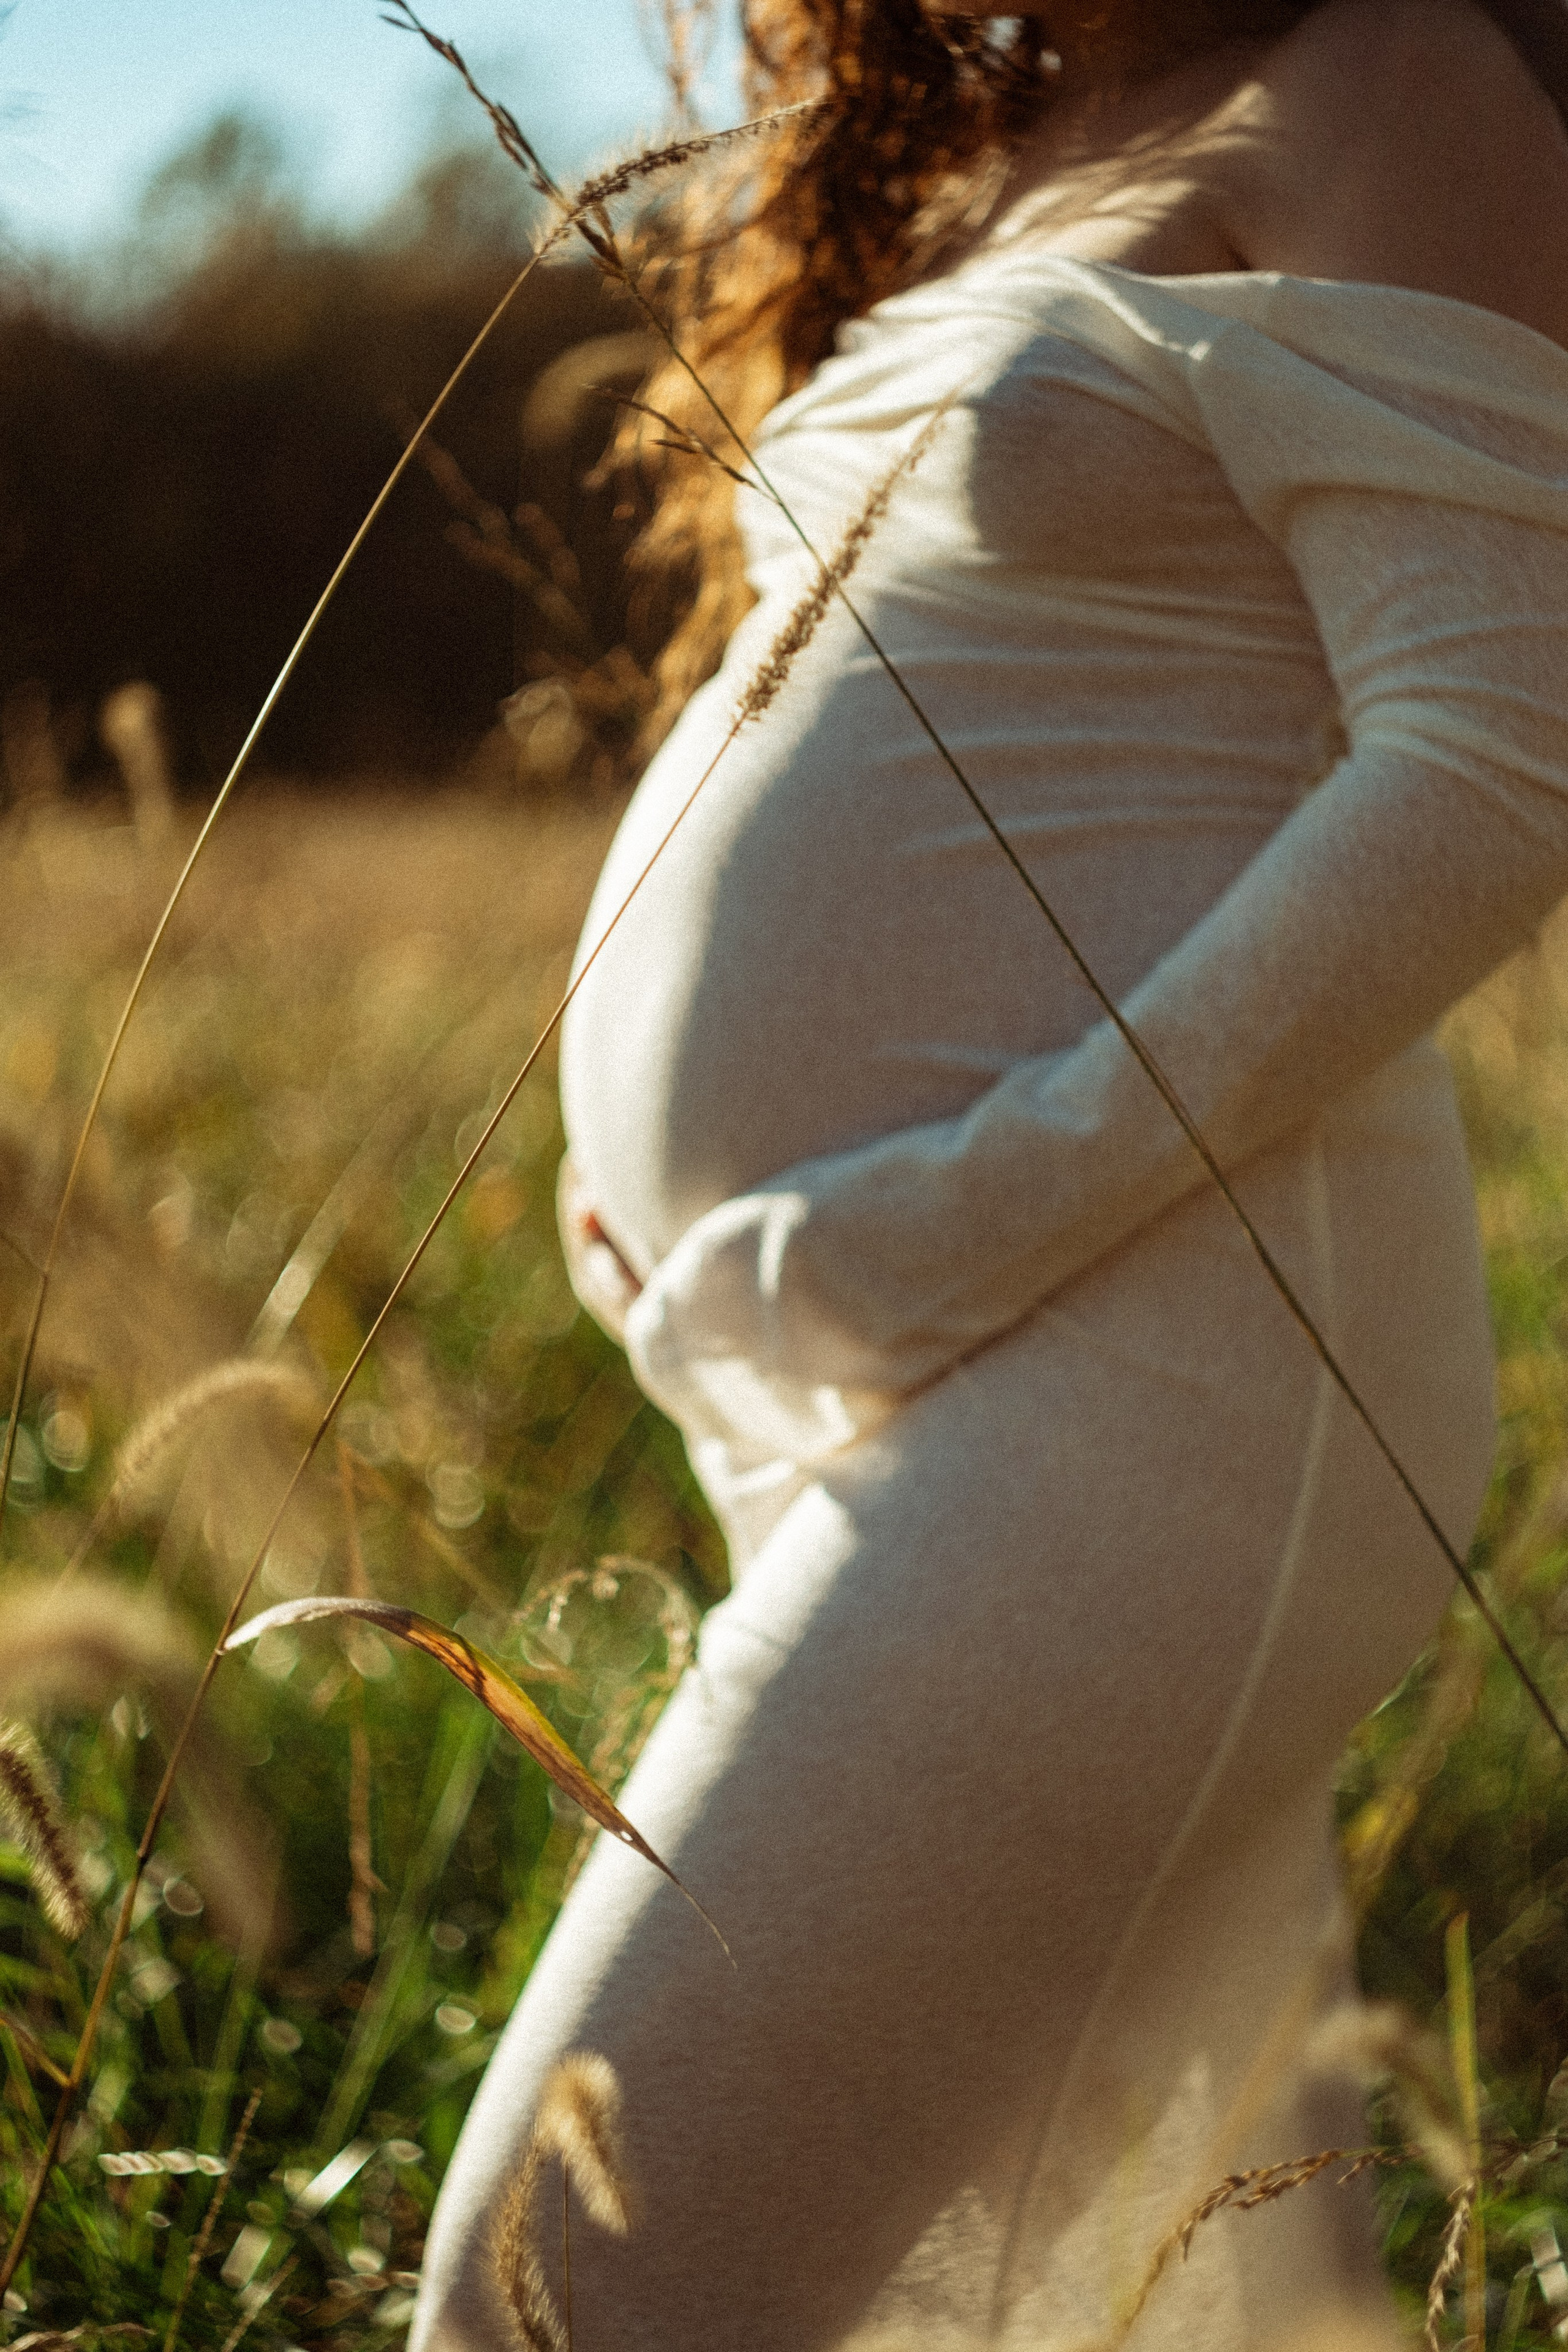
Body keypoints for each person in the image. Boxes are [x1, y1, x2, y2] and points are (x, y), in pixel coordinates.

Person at [412, 1, 1568, 2343]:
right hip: (914, 1347)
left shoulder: (1392, 77)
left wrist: (952, 1212)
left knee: (560, 2299)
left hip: (1163, 1353)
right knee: (1166, 2299)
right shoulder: (995, 150)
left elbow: (1497, 756)